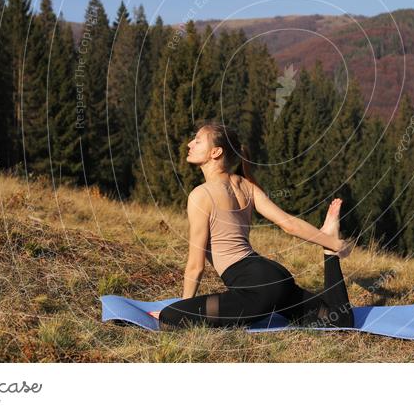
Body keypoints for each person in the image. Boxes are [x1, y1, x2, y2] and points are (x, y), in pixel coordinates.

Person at [149, 120, 355, 330]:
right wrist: (332, 243)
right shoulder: (246, 185)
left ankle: (330, 244)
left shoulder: (200, 195)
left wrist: (181, 308)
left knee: (169, 318)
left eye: (198, 141)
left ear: (216, 152)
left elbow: (196, 266)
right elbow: (289, 224)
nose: (189, 144)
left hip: (255, 289)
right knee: (339, 320)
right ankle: (329, 252)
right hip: (275, 276)